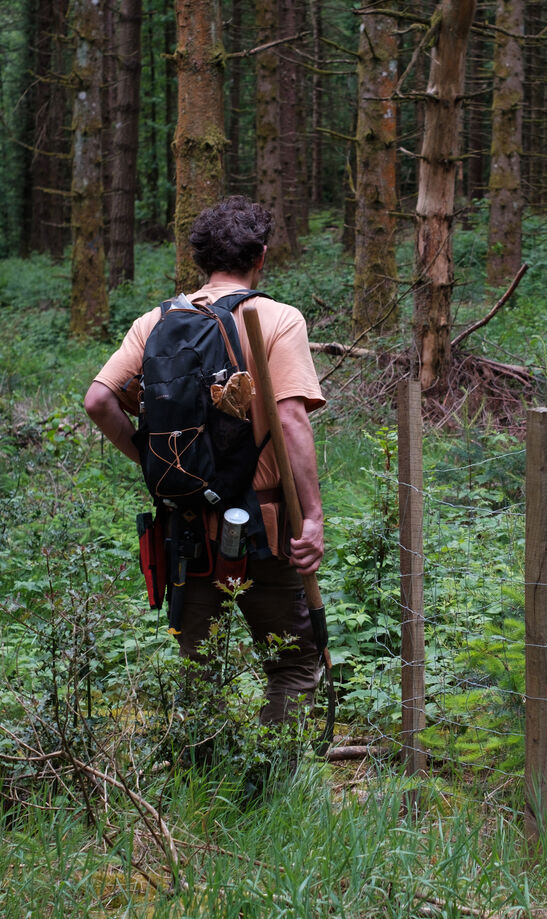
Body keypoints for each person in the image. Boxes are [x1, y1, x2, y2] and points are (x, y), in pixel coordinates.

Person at [83, 195, 325, 758]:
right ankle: (271, 781)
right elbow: (291, 420)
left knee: (198, 670)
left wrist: (152, 459)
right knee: (292, 664)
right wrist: (312, 517)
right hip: (265, 524)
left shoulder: (155, 322)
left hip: (186, 530)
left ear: (200, 258)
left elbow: (98, 401)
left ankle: (197, 784)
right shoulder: (278, 319)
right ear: (261, 257)